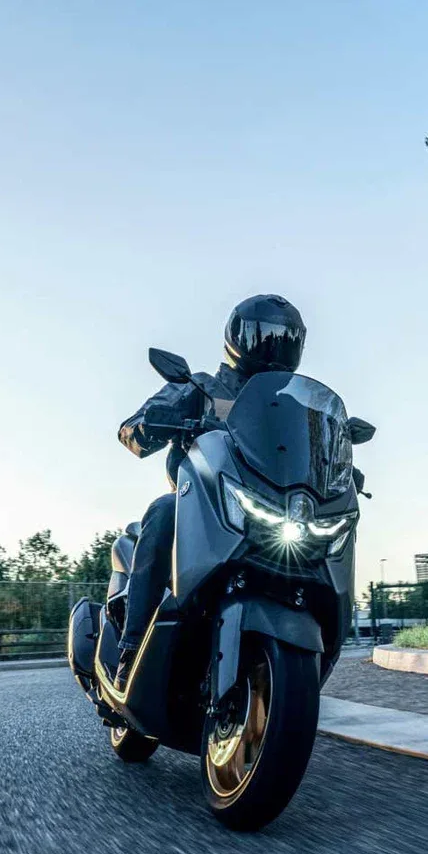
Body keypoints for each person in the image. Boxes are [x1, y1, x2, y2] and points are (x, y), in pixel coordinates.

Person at [111, 293, 306, 688]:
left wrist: (339, 459)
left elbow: (308, 451)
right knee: (163, 512)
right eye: (264, 334)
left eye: (283, 338)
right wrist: (151, 422)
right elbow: (131, 431)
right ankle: (131, 649)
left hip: (267, 509)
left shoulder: (290, 406)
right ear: (238, 337)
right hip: (202, 503)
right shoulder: (201, 387)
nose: (272, 346)